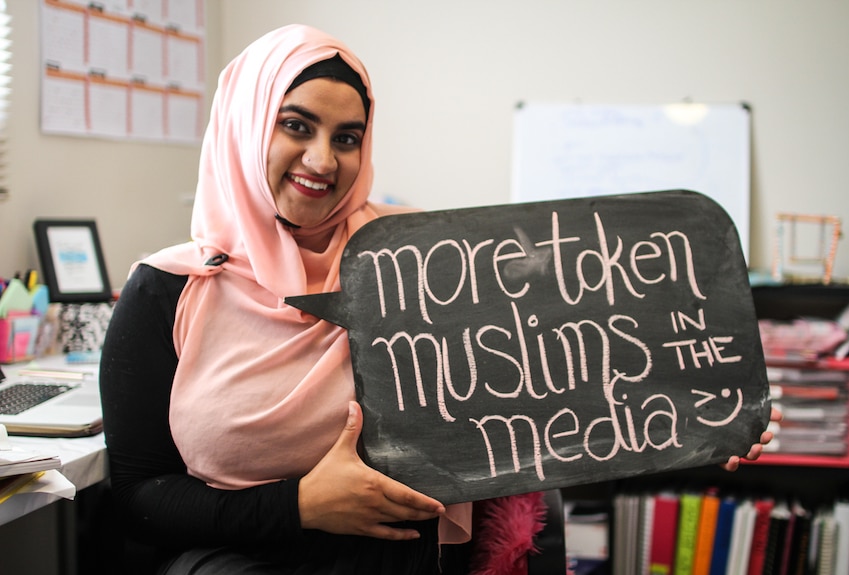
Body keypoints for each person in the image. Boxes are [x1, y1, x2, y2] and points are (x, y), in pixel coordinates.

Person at [100, 24, 776, 575]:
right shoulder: (168, 290)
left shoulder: (423, 263)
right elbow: (138, 495)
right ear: (244, 127)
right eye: (296, 126)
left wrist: (694, 420)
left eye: (347, 137)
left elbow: (552, 376)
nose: (323, 160)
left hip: (402, 560)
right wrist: (301, 504)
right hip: (239, 557)